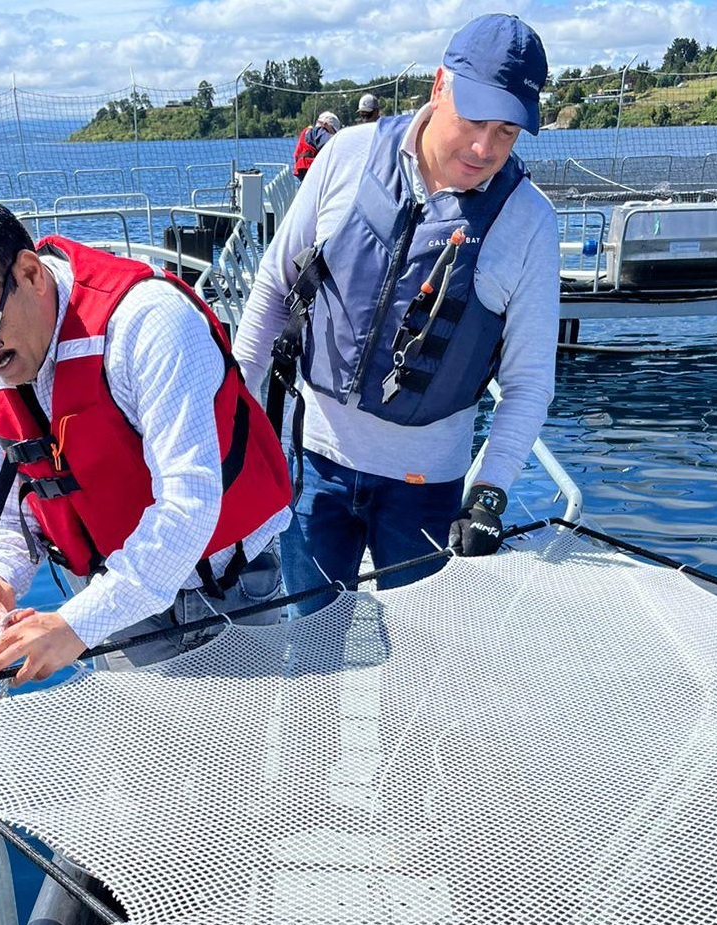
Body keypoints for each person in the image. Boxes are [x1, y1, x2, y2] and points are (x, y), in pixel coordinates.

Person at [232, 13, 560, 615]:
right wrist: (235, 440)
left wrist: (488, 495)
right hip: (315, 469)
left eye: (509, 131)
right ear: (440, 86)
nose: (485, 148)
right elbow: (272, 292)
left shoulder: (532, 221)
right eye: (475, 120)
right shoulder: (348, 155)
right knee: (309, 645)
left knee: (420, 672)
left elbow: (529, 381)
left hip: (427, 489)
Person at [0, 194, 292, 684]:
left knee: (242, 753)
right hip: (116, 605)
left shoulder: (150, 323)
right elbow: (9, 515)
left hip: (227, 589)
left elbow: (189, 505)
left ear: (29, 274)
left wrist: (75, 624)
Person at [292, 111, 341, 182]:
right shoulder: (317, 132)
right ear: (325, 125)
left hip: (304, 173)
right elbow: (331, 142)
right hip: (313, 173)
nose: (333, 134)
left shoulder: (308, 133)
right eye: (333, 131)